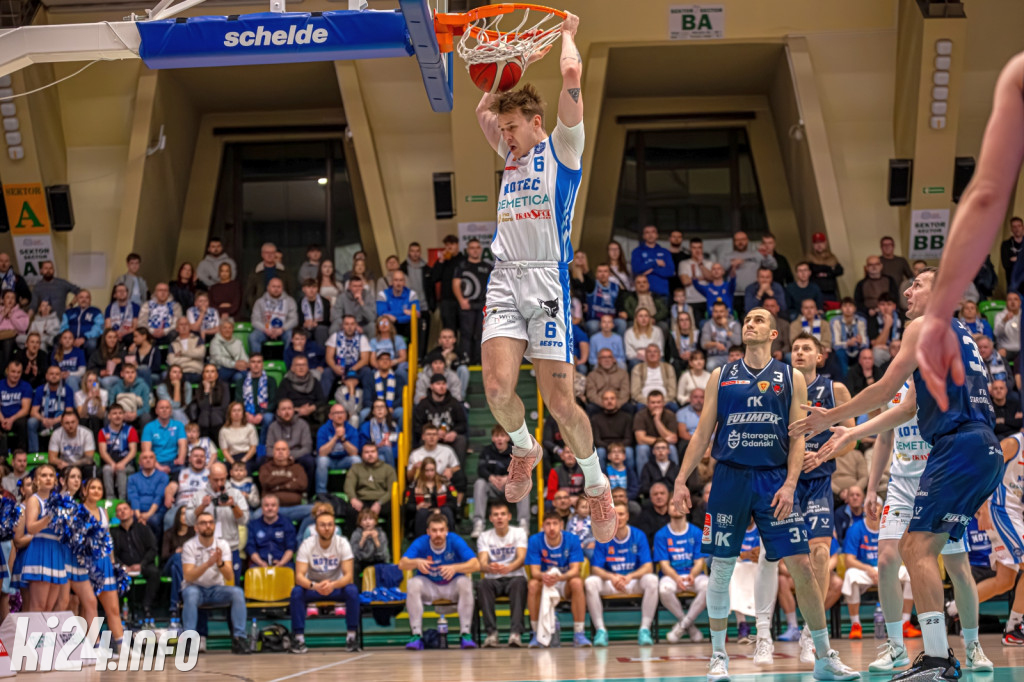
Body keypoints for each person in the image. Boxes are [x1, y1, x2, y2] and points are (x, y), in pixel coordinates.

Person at [794, 267, 1002, 681]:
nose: (907, 292)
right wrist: (852, 431)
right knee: (910, 550)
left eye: (917, 285)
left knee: (919, 551)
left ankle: (939, 660)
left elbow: (885, 388)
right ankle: (928, 654)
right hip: (983, 449)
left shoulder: (925, 326)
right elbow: (906, 407)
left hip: (955, 449)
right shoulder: (958, 332)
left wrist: (831, 417)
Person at [474, 15, 614, 544]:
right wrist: (508, 66)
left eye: (512, 127)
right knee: (495, 389)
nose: (504, 136)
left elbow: (572, 75)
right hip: (504, 279)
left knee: (560, 405)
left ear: (537, 121)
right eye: (504, 129)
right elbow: (483, 110)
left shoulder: (562, 148)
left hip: (547, 284)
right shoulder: (509, 153)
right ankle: (523, 447)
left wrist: (566, 33)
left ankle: (596, 483)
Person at [672, 306, 858, 681]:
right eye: (747, 320)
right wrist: (680, 480)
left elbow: (797, 437)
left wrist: (790, 483)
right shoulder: (720, 376)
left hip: (774, 480)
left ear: (773, 334)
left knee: (802, 565)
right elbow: (703, 432)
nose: (750, 324)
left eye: (758, 320)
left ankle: (823, 655)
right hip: (730, 478)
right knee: (721, 567)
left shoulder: (790, 377)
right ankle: (718, 656)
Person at [752, 332, 857, 664]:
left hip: (818, 482)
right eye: (795, 349)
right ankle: (763, 634)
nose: (799, 353)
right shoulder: (778, 388)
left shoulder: (835, 390)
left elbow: (851, 438)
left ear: (819, 356)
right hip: (784, 481)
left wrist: (823, 455)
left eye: (806, 348)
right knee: (769, 555)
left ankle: (811, 634)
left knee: (821, 553)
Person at [399, 512, 480, 650]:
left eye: (441, 530)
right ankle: (416, 635)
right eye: (434, 530)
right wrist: (416, 562)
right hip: (429, 586)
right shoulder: (421, 542)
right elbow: (402, 564)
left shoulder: (454, 540)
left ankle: (465, 634)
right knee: (413, 584)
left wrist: (455, 568)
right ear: (428, 532)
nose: (438, 534)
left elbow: (476, 564)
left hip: (451, 585)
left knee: (465, 583)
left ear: (446, 530)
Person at [584, 501, 659, 646]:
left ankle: (645, 630)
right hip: (611, 582)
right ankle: (600, 631)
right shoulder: (603, 537)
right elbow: (596, 569)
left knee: (652, 580)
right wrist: (612, 577)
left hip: (632, 581)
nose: (618, 518)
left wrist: (630, 576)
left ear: (627, 516)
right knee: (590, 582)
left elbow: (648, 566)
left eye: (621, 514)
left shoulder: (638, 535)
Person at [288, 510, 361, 653]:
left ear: (334, 527)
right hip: (314, 587)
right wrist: (315, 586)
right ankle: (298, 639)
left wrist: (332, 585)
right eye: (322, 525)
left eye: (330, 525)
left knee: (352, 590)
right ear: (316, 528)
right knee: (296, 592)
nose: (327, 528)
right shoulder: (307, 544)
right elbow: (299, 577)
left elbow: (348, 576)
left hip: (336, 586)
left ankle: (351, 638)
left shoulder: (343, 543)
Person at [181, 510, 250, 655]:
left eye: (210, 522)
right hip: (195, 588)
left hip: (216, 589)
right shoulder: (189, 546)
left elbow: (229, 576)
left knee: (237, 593)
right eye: (203, 523)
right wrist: (207, 564)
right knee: (191, 594)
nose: (208, 525)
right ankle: (189, 640)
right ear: (196, 528)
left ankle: (239, 638)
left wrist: (219, 563)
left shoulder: (222, 545)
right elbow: (188, 576)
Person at [476, 501, 528, 648]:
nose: (499, 517)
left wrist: (509, 567)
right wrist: (489, 567)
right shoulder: (484, 536)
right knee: (482, 584)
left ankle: (515, 634)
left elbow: (522, 558)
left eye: (503, 514)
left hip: (514, 576)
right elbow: (482, 562)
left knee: (520, 583)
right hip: (493, 578)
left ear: (509, 517)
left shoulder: (519, 533)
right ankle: (491, 634)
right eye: (496, 515)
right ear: (490, 518)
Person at [655, 498, 708, 643]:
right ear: (667, 509)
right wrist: (676, 578)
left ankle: (682, 625)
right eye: (673, 504)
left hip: (694, 575)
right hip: (672, 576)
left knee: (708, 587)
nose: (676, 507)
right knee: (664, 589)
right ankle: (690, 627)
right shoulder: (661, 535)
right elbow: (664, 565)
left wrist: (692, 575)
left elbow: (700, 562)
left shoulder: (697, 532)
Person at [184, 461, 249, 579]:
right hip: (204, 550)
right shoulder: (198, 495)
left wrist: (233, 506)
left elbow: (244, 521)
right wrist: (202, 506)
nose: (219, 483)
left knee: (232, 584)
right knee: (205, 585)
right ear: (209, 477)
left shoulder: (235, 494)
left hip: (230, 548)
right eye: (215, 480)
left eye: (222, 479)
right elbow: (188, 521)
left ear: (227, 476)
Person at [473, 426, 529, 536]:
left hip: (509, 487)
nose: (499, 439)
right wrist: (491, 478)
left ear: (508, 438)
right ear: (492, 438)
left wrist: (507, 478)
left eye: (502, 436)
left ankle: (523, 523)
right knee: (479, 483)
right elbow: (481, 469)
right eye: (496, 436)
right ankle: (478, 523)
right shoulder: (487, 451)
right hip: (492, 486)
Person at [110, 500, 160, 621]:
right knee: (112, 574)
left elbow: (153, 549)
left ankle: (146, 606)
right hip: (123, 567)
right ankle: (119, 610)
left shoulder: (143, 528)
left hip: (142, 564)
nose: (122, 512)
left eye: (125, 509)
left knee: (155, 573)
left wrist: (141, 565)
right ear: (116, 516)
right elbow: (111, 554)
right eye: (119, 510)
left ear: (132, 512)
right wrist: (122, 566)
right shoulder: (113, 533)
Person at [453, 238, 493, 364]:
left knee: (481, 334)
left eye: (477, 247)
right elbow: (456, 284)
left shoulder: (488, 267)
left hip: (483, 305)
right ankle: (465, 359)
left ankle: (480, 360)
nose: (475, 250)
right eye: (472, 248)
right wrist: (461, 300)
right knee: (466, 333)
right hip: (467, 304)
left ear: (481, 250)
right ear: (467, 250)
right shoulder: (462, 266)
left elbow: (494, 286)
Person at [257, 441, 312, 523]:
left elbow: (302, 484)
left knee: (316, 511)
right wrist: (291, 480)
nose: (280, 452)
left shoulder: (297, 468)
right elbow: (266, 483)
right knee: (256, 515)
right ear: (273, 452)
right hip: (270, 508)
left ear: (288, 452)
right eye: (278, 449)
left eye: (283, 449)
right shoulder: (265, 467)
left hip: (295, 508)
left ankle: (300, 532)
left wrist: (277, 486)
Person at [344, 443, 396, 526]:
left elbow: (392, 490)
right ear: (362, 454)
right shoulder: (355, 468)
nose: (370, 454)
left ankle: (389, 535)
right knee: (350, 510)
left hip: (381, 500)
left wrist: (379, 503)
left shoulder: (388, 469)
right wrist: (353, 498)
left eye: (373, 451)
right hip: (361, 500)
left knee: (395, 509)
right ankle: (353, 535)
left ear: (377, 453)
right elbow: (348, 486)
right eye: (367, 452)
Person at [127, 450, 170, 543]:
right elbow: (133, 497)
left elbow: (158, 497)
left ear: (155, 461)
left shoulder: (163, 477)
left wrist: (148, 514)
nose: (148, 460)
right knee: (130, 520)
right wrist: (139, 516)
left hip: (156, 510)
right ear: (140, 462)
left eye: (151, 457)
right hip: (137, 510)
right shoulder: (132, 478)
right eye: (145, 458)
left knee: (154, 520)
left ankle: (155, 549)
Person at [98, 403, 139, 500]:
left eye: (120, 413)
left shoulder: (130, 430)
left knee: (121, 469)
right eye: (114, 413)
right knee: (106, 469)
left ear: (124, 415)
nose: (118, 416)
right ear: (109, 416)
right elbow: (103, 452)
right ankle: (110, 498)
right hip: (110, 462)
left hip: (127, 464)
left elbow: (133, 451)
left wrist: (122, 463)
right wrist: (112, 464)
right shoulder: (103, 432)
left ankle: (122, 500)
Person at [246, 494, 296, 568]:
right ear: (261, 508)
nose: (270, 508)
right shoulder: (253, 525)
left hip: (283, 563)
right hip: (259, 564)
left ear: (278, 507)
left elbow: (290, 548)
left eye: (273, 505)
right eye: (266, 505)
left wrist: (281, 563)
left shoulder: (287, 524)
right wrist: (261, 563)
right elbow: (251, 548)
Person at [250, 277, 297, 355]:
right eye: (273, 286)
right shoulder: (259, 302)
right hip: (264, 330)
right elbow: (255, 320)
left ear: (282, 288)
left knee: (290, 335)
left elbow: (294, 320)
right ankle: (257, 360)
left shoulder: (290, 301)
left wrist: (282, 329)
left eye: (278, 287)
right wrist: (265, 329)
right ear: (268, 288)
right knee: (253, 337)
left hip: (283, 330)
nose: (276, 289)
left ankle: (287, 360)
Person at [142, 399, 187, 476]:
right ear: (156, 411)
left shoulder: (179, 425)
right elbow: (146, 451)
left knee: (184, 473)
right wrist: (159, 467)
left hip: (174, 462)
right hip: (155, 462)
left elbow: (183, 445)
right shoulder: (149, 427)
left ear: (171, 411)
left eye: (167, 408)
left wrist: (181, 458)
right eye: (161, 408)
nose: (164, 410)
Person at [48, 411, 97, 479]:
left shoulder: (87, 433)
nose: (70, 425)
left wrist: (70, 465)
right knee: (51, 467)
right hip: (63, 465)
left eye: (73, 422)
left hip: (81, 465)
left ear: (78, 422)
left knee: (89, 467)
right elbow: (52, 458)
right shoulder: (56, 434)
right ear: (62, 424)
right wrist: (62, 463)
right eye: (67, 423)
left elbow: (89, 459)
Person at [189, 364, 229, 439]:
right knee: (205, 416)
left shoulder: (224, 386)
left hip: (219, 417)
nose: (210, 374)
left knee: (214, 416)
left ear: (217, 375)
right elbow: (203, 407)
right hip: (205, 418)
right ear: (203, 375)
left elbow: (224, 406)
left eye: (212, 371)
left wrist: (211, 411)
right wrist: (206, 391)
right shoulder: (200, 388)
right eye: (207, 372)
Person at [805, 233, 844, 303]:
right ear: (813, 245)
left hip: (830, 291)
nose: (819, 245)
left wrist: (827, 273)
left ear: (825, 243)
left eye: (821, 242)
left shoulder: (832, 257)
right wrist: (830, 269)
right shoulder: (809, 258)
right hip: (815, 292)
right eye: (816, 243)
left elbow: (839, 271)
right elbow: (812, 270)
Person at [210, 318, 249, 386]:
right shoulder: (215, 342)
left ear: (233, 329)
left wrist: (245, 364)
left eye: (230, 328)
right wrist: (234, 365)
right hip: (221, 370)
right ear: (220, 329)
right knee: (244, 373)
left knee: (241, 376)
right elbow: (218, 359)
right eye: (224, 328)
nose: (227, 330)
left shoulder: (238, 342)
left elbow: (243, 356)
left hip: (236, 369)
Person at [168, 317, 205, 382]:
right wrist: (192, 357)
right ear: (177, 329)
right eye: (181, 324)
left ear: (190, 327)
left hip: (195, 371)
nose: (184, 326)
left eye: (186, 324)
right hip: (179, 373)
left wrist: (182, 353)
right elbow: (171, 361)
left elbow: (201, 354)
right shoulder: (173, 344)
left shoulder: (198, 340)